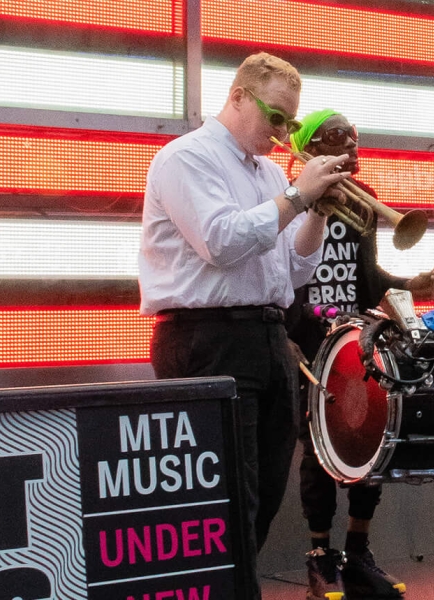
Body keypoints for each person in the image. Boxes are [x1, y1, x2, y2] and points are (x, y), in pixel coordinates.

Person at [138, 52, 348, 599]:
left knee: (262, 494)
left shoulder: (272, 174)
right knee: (228, 499)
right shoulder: (186, 158)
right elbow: (222, 242)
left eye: (290, 122)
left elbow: (295, 267)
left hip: (267, 337)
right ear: (236, 96)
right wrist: (299, 195)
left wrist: (319, 210)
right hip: (207, 337)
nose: (283, 133)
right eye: (275, 117)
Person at [281, 110, 434, 599]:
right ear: (310, 151)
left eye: (354, 146)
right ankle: (319, 556)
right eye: (338, 145)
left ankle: (358, 551)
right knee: (316, 450)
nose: (350, 154)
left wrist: (412, 285)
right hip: (307, 341)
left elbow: (367, 280)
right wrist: (282, 332)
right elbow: (277, 274)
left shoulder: (365, 201)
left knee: (371, 442)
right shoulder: (285, 199)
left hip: (355, 339)